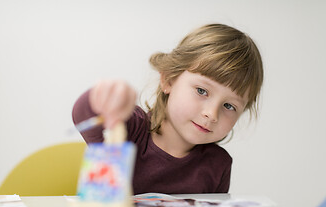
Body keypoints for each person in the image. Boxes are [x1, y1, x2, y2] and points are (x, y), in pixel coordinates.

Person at [72, 23, 263, 195]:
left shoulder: (218, 165)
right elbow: (84, 115)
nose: (211, 114)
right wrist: (105, 97)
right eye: (202, 91)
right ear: (169, 80)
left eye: (229, 106)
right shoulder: (129, 128)